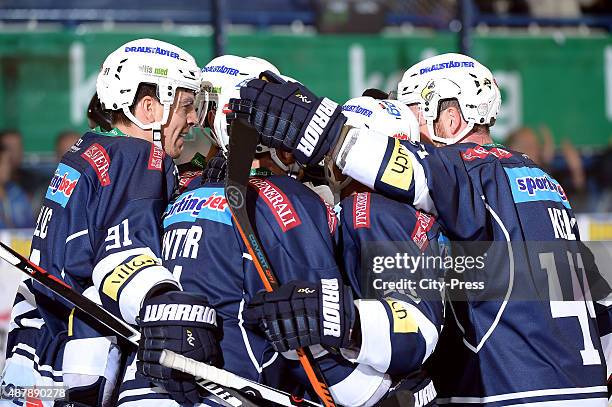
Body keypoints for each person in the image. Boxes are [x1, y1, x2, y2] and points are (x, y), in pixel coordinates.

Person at [230, 52, 611, 406]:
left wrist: (322, 130)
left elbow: (414, 173)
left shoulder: (474, 169)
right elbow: (602, 308)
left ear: (451, 120)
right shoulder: (544, 185)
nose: (409, 137)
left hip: (509, 392)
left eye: (414, 117)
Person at [128, 55, 392, 407]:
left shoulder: (175, 189)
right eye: (277, 116)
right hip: (232, 393)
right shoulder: (288, 201)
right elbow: (338, 373)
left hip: (145, 389)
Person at [2, 38, 223, 407]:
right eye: (186, 106)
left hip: (32, 357)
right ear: (149, 108)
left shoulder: (90, 148)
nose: (194, 120)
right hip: (76, 370)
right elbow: (123, 259)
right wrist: (170, 304)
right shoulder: (138, 157)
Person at [244, 95, 447, 406]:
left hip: (389, 393)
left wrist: (340, 318)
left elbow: (417, 329)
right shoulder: (414, 212)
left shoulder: (368, 209)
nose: (325, 167)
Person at [0, 144, 35, 229]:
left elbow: (30, 227)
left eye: (8, 163)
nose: (7, 168)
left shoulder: (17, 193)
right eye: (3, 163)